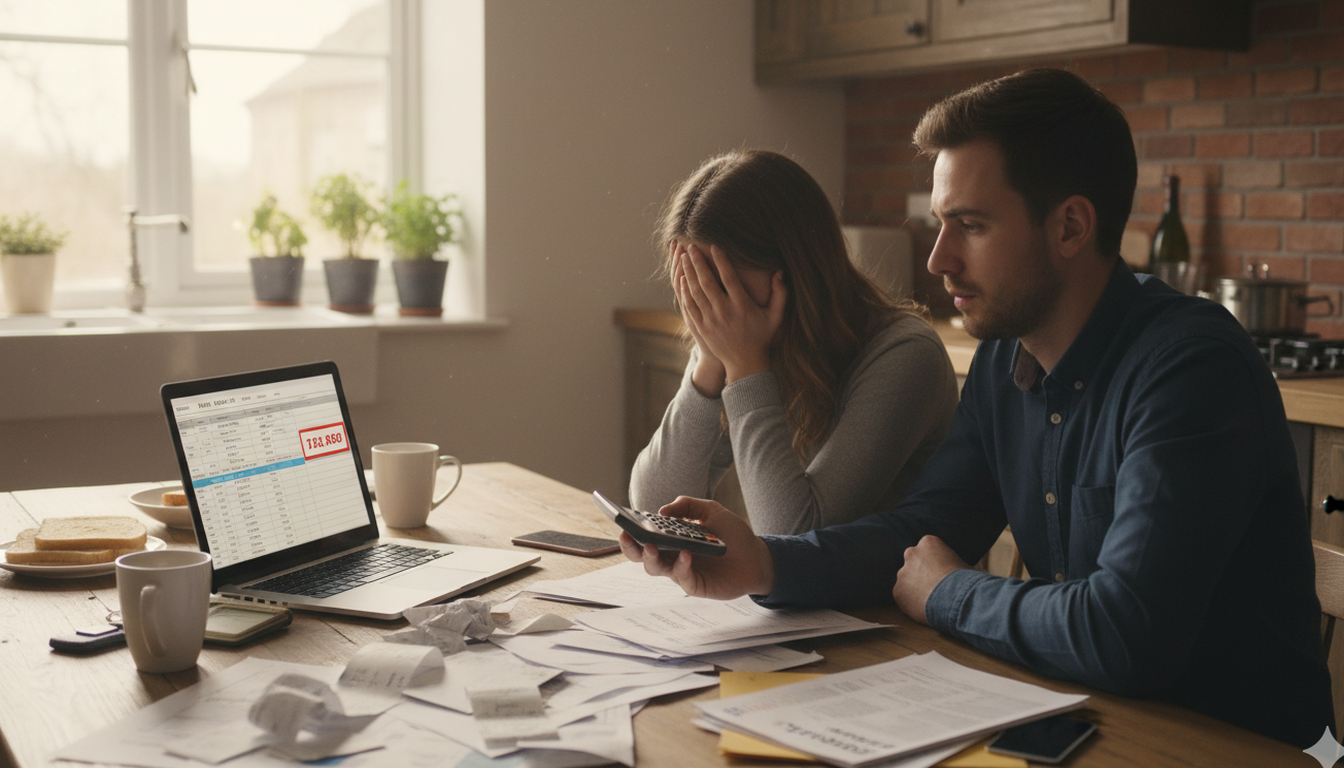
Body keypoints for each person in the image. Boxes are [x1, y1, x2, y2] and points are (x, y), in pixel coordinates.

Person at [622, 69, 1334, 748]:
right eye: (939, 223)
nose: (937, 259)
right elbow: (919, 531)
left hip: (1227, 746)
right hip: (1087, 717)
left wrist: (951, 593)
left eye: (969, 225)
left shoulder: (1190, 370)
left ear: (1070, 227)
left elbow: (1125, 634)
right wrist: (766, 567)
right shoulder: (1005, 359)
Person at [628, 149, 959, 536]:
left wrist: (747, 365)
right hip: (801, 596)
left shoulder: (905, 356)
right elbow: (654, 510)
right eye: (695, 282)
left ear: (795, 268)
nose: (710, 305)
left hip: (886, 596)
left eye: (721, 281)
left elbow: (795, 538)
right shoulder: (740, 339)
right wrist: (708, 364)